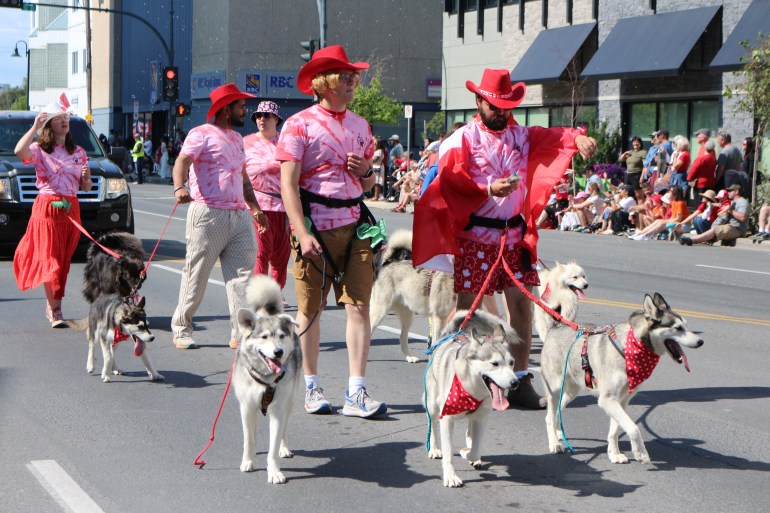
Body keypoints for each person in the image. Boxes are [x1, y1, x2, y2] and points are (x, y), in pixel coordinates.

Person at [413, 68, 597, 409]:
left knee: (522, 310)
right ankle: (461, 378)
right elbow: (450, 180)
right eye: (495, 106)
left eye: (506, 106)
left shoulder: (522, 135)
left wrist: (578, 139)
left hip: (514, 238)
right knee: (468, 312)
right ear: (479, 102)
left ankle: (521, 380)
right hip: (475, 238)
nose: (502, 112)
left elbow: (556, 137)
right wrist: (487, 187)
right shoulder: (463, 138)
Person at [276, 45, 386, 419]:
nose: (353, 80)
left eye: (354, 74)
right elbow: (287, 185)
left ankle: (356, 392)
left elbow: (371, 185)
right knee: (310, 310)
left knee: (359, 307)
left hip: (356, 226)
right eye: (345, 75)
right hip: (314, 229)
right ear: (323, 83)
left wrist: (366, 172)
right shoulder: (298, 125)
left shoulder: (360, 125)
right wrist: (300, 232)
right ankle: (310, 386)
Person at [170, 83, 267, 350]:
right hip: (208, 213)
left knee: (242, 278)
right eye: (240, 106)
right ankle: (181, 328)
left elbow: (243, 178)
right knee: (196, 273)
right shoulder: (200, 134)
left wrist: (255, 208)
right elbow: (182, 161)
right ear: (226, 109)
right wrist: (179, 186)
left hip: (239, 215)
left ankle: (242, 333)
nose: (244, 111)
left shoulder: (237, 139)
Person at [13, 95, 92, 328]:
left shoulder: (78, 151)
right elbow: (20, 151)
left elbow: (84, 186)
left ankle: (54, 304)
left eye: (66, 117)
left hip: (70, 209)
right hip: (47, 210)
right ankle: (55, 310)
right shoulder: (39, 149)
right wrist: (35, 127)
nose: (65, 121)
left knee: (63, 262)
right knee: (51, 261)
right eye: (59, 119)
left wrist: (86, 180)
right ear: (49, 126)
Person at [243, 100, 291, 308]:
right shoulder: (246, 143)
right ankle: (259, 296)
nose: (262, 119)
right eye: (258, 116)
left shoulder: (287, 142)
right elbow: (238, 173)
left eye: (266, 116)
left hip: (283, 206)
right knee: (262, 252)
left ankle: (276, 294)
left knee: (282, 256)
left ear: (276, 120)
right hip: (258, 206)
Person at [680, 184, 749, 247]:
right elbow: (720, 205)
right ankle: (699, 239)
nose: (728, 193)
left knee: (715, 229)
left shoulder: (742, 202)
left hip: (736, 228)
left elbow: (743, 217)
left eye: (730, 191)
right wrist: (712, 204)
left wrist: (729, 210)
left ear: (736, 191)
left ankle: (692, 240)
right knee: (703, 222)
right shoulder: (731, 202)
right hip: (727, 225)